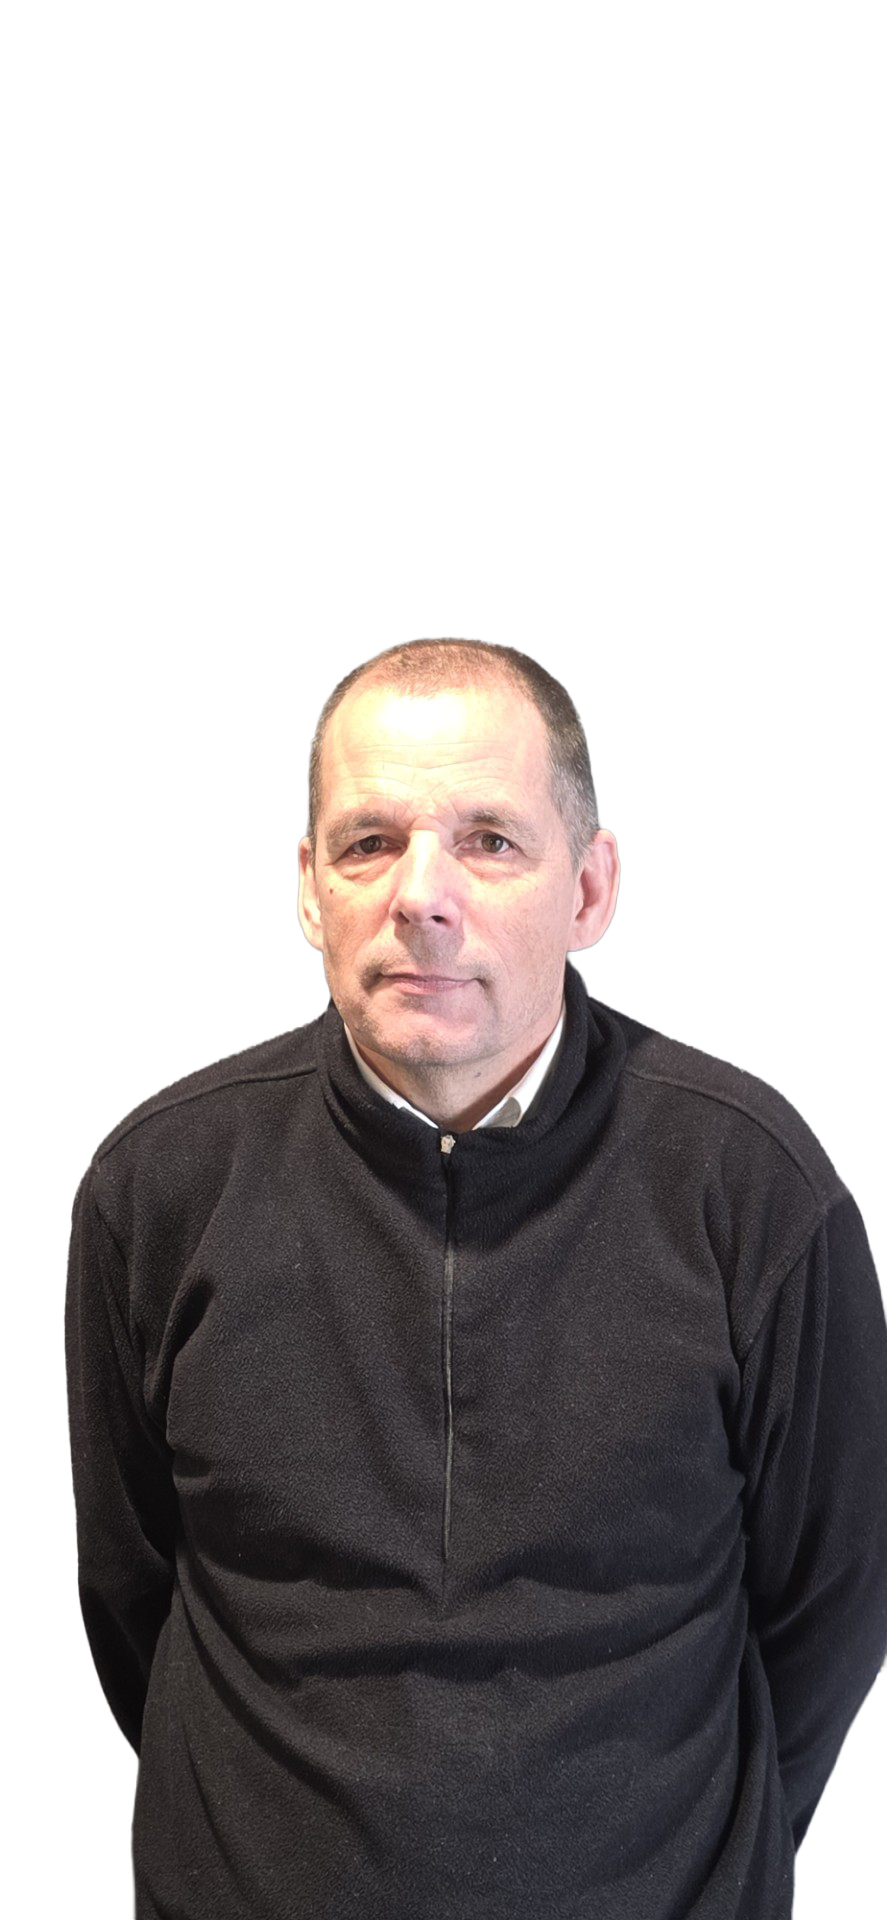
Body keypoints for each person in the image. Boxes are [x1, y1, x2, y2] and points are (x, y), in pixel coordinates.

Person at [65, 637, 887, 1920]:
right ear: (310, 891)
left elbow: (830, 1600)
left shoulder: (750, 1186)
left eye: (489, 841)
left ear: (588, 888)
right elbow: (128, 1593)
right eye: (368, 843)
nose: (420, 896)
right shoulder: (158, 1188)